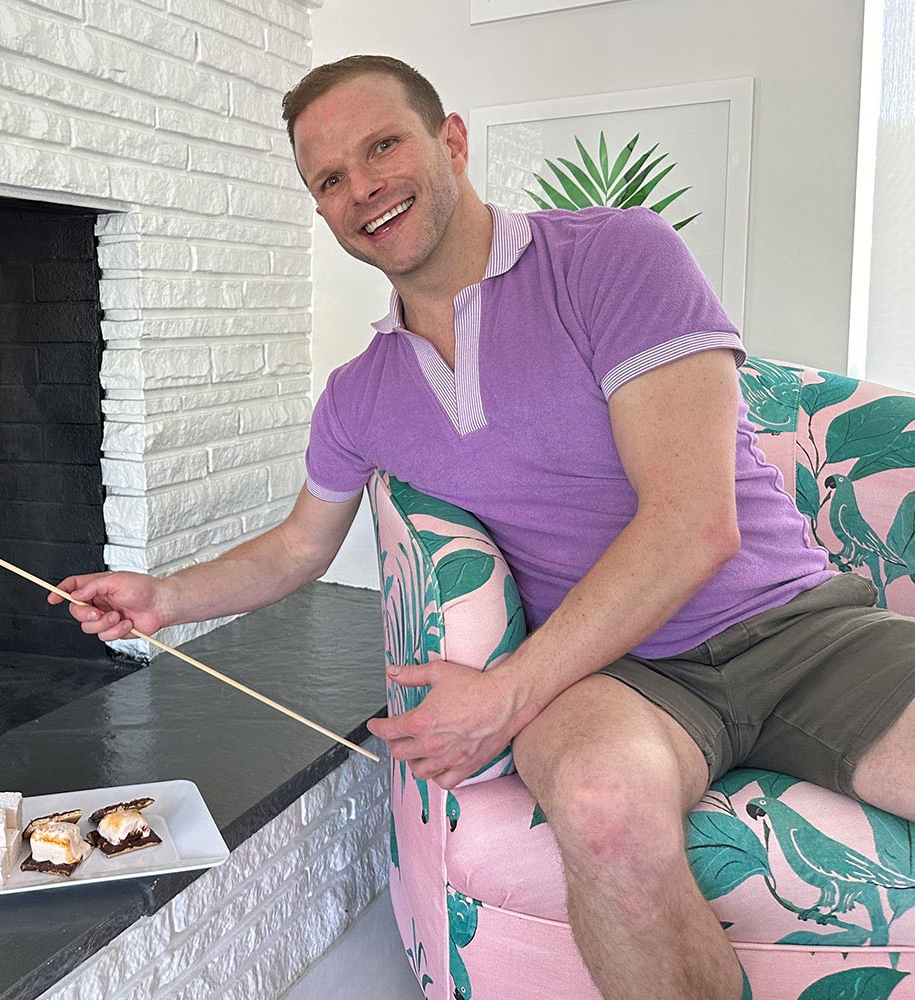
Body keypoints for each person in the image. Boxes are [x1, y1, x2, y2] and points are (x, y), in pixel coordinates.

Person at [50, 55, 915, 1000]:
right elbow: (300, 545)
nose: (363, 188)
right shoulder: (359, 397)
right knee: (599, 807)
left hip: (801, 633)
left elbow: (692, 523)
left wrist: (502, 697)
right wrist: (163, 596)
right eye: (330, 180)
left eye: (383, 146)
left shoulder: (613, 255)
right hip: (614, 677)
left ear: (451, 141)